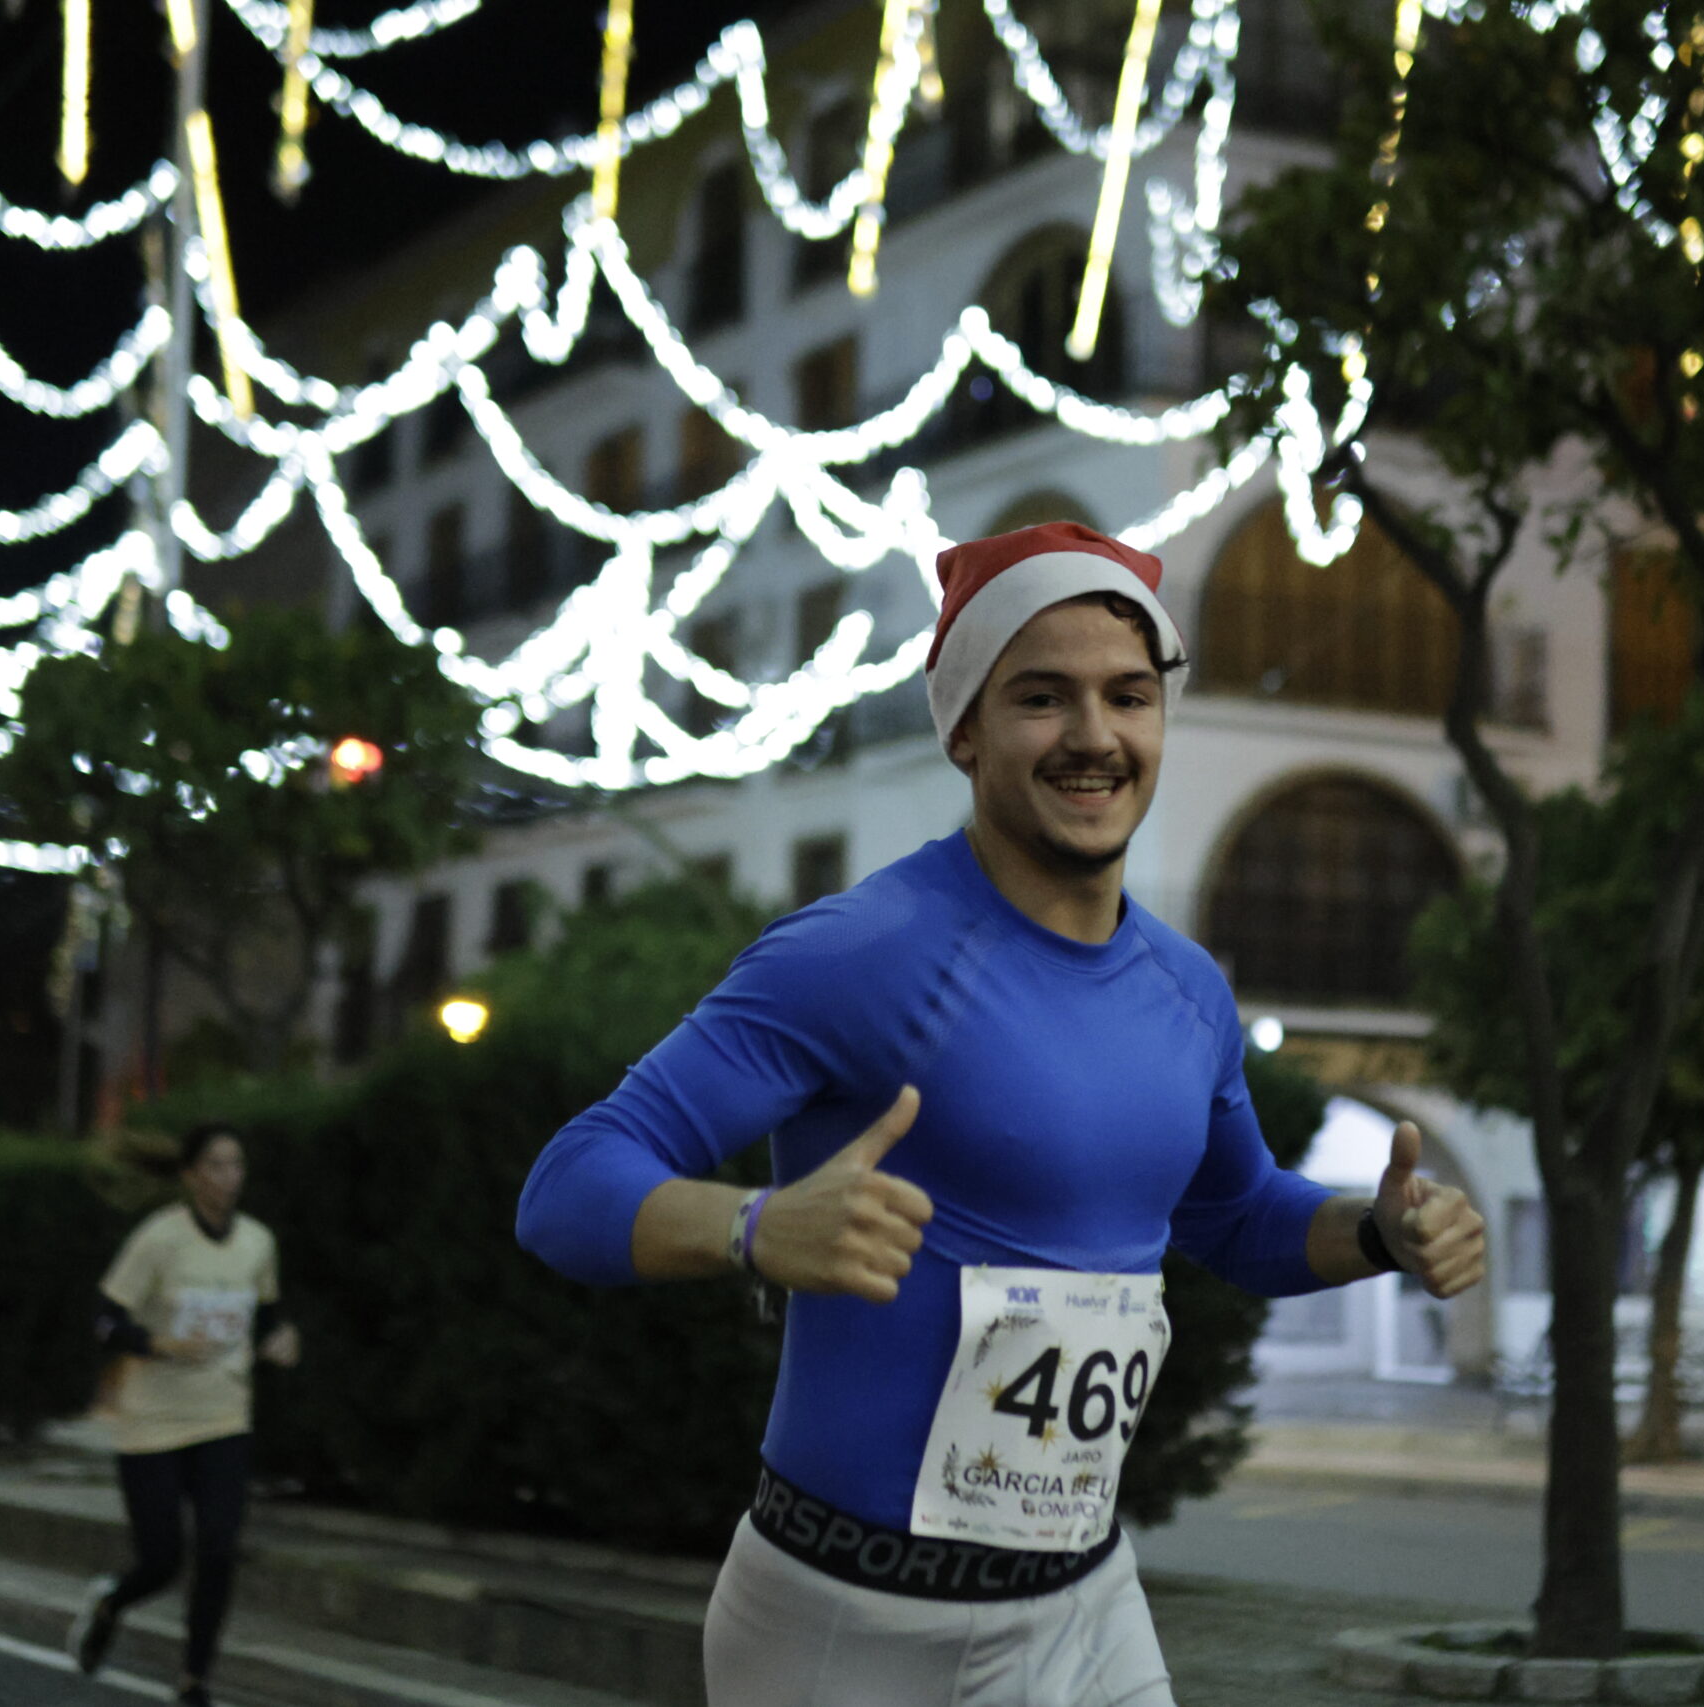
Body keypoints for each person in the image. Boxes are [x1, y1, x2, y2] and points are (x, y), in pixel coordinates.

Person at [516, 520, 1487, 1706]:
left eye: (1128, 696)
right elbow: (567, 1184)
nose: (1094, 736)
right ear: (964, 728)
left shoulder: (1188, 990)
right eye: (1041, 697)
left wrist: (1380, 1232)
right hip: (845, 1628)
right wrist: (753, 1226)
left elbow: (1235, 1217)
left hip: (1086, 1608)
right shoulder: (855, 954)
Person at [68, 1123, 299, 1707]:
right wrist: (159, 1344)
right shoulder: (159, 1239)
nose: (229, 1177)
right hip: (152, 1424)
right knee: (162, 1560)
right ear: (192, 1176)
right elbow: (104, 1321)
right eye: (216, 1165)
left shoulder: (258, 1242)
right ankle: (110, 1602)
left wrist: (281, 1340)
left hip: (224, 1417)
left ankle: (195, 1680)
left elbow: (267, 1317)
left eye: (236, 1164)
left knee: (219, 1549)